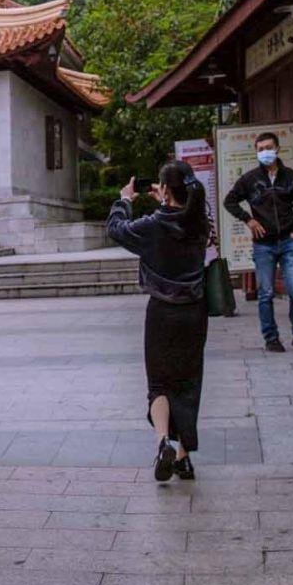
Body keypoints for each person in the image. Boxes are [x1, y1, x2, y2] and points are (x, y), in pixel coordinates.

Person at [107, 162, 211, 482]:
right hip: (194, 313)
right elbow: (180, 216)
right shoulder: (200, 223)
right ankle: (183, 457)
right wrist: (166, 201)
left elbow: (118, 229)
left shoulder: (153, 226)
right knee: (189, 384)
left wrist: (124, 200)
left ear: (165, 190)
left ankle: (163, 441)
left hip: (162, 313)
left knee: (159, 383)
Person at [224, 131, 293, 353]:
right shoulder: (250, 180)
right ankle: (271, 338)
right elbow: (230, 201)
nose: (265, 152)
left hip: (288, 241)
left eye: (268, 147)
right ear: (256, 152)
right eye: (260, 149)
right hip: (263, 244)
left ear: (277, 149)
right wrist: (249, 220)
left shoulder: (290, 177)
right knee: (265, 292)